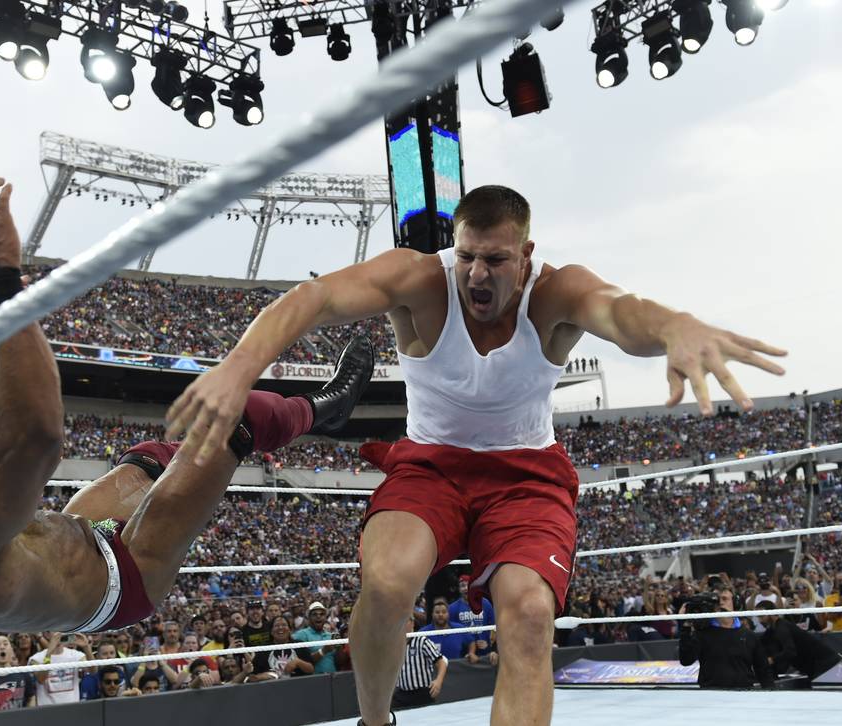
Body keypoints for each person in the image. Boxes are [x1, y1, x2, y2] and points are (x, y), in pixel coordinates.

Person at [167, 184, 785, 725]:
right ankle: (376, 722)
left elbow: (622, 313)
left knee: (531, 613)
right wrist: (238, 368)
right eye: (466, 256)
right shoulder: (419, 278)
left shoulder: (556, 290)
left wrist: (675, 325)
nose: (477, 275)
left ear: (526, 256)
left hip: (526, 474)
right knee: (386, 584)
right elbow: (317, 297)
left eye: (494, 259)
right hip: (431, 464)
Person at [0, 178, 375, 636]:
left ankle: (303, 415)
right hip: (125, 581)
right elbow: (37, 435)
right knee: (230, 418)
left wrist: (16, 318)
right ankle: (324, 408)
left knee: (150, 458)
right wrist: (1, 273)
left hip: (78, 544)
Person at [677, 589, 773, 689]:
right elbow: (686, 661)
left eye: (724, 599)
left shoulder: (749, 636)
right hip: (711, 692)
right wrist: (686, 626)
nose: (720, 603)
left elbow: (763, 669)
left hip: (744, 692)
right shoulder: (701, 634)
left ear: (735, 603)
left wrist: (770, 692)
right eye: (716, 600)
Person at [755, 601, 840, 683]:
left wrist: (772, 659)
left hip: (824, 663)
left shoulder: (782, 628)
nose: (760, 621)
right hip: (815, 666)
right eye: (758, 617)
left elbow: (790, 651)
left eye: (762, 616)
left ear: (772, 614)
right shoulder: (772, 630)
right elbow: (760, 641)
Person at [393, 617, 447, 711]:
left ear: (412, 623)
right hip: (401, 694)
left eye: (405, 621)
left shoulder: (422, 641)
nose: (402, 625)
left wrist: (438, 681)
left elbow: (441, 662)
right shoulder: (395, 644)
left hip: (422, 693)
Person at [245, 617, 314, 682]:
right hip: (270, 688)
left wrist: (298, 662)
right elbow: (253, 677)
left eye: (284, 625)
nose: (280, 628)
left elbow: (311, 669)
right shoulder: (263, 650)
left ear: (290, 630)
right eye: (276, 626)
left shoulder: (300, 645)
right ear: (271, 631)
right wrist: (264, 676)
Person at [28, 632, 86, 706]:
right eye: (55, 630)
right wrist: (49, 653)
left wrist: (86, 647)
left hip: (72, 708)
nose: (59, 633)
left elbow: (93, 671)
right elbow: (41, 679)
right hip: (47, 709)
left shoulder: (76, 655)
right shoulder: (35, 659)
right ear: (47, 634)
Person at [292, 602, 339, 674]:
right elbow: (302, 661)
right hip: (313, 679)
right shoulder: (300, 635)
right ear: (309, 618)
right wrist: (323, 651)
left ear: (325, 618)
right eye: (314, 614)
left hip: (333, 677)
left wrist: (339, 647)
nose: (318, 616)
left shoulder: (331, 636)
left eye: (322, 614)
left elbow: (340, 661)